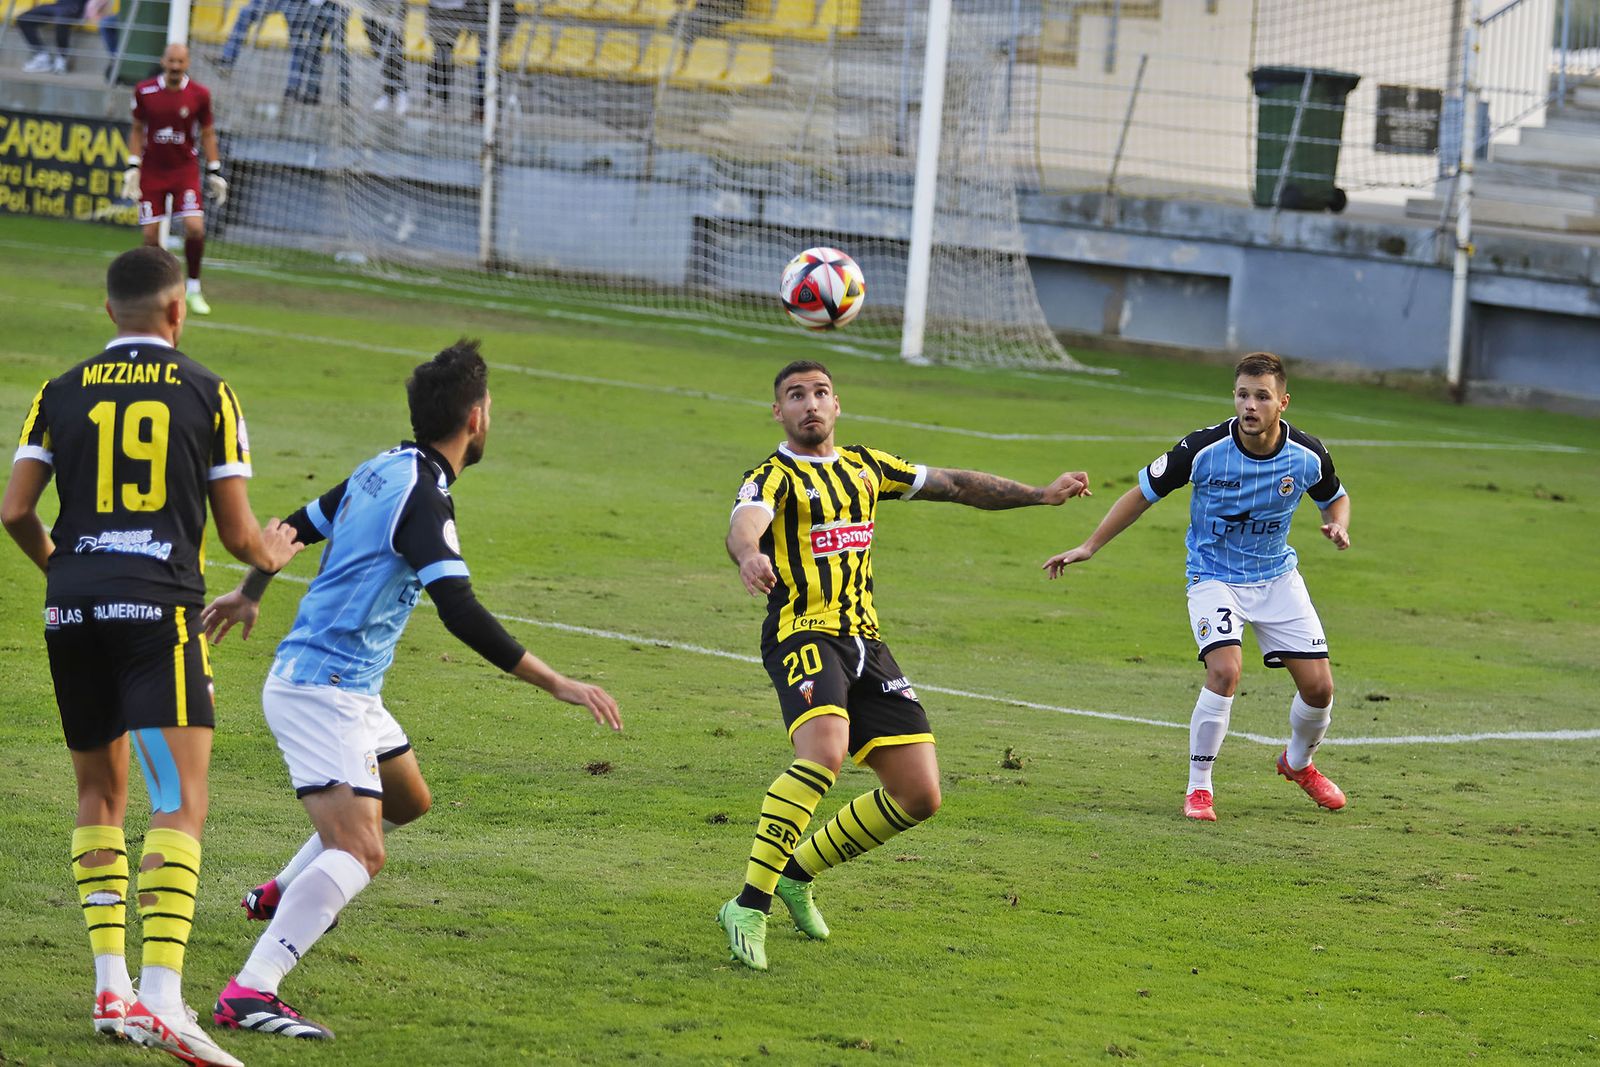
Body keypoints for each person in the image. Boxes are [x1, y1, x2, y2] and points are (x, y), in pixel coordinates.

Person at [199, 339, 623, 1039]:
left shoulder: (383, 466)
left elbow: (295, 525)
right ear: (476, 419)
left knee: (408, 799)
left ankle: (280, 891)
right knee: (361, 851)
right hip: (321, 689)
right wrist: (557, 682)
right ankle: (250, 989)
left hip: (349, 686)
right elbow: (458, 609)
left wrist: (251, 592)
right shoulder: (423, 497)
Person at [1, 246, 303, 1067]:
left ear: (110, 313)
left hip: (73, 611)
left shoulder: (58, 391)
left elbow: (15, 508)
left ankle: (111, 986)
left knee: (98, 792)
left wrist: (65, 571)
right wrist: (270, 552)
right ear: (176, 312)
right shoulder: (209, 391)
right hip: (156, 615)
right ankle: (164, 1000)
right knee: (180, 800)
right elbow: (240, 532)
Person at [716, 359, 1091, 971]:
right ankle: (748, 904)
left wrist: (1040, 495)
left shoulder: (866, 467)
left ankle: (794, 875)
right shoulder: (772, 476)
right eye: (795, 395)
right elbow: (744, 522)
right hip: (802, 632)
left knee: (919, 794)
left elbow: (958, 484)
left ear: (837, 406)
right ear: (778, 412)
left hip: (867, 642)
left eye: (820, 393)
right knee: (824, 753)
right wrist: (750, 555)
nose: (810, 403)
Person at [1044, 351, 1352, 823]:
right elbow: (1141, 494)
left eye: (1262, 397)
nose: (1250, 406)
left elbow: (1335, 497)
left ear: (1282, 402)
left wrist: (1337, 525)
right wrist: (1089, 546)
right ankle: (1199, 787)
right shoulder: (1202, 449)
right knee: (1225, 671)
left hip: (1277, 579)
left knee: (1320, 689)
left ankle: (1298, 763)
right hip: (1213, 578)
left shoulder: (1307, 454)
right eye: (1243, 395)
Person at [122, 43, 229, 317]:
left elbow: (207, 132)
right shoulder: (145, 91)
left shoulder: (199, 94)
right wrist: (133, 165)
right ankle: (159, 292)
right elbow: (136, 129)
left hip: (185, 171)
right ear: (163, 61)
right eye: (171, 61)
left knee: (194, 227)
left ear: (187, 63)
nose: (175, 66)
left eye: (180, 62)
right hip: (153, 172)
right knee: (149, 237)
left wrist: (215, 169)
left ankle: (193, 288)